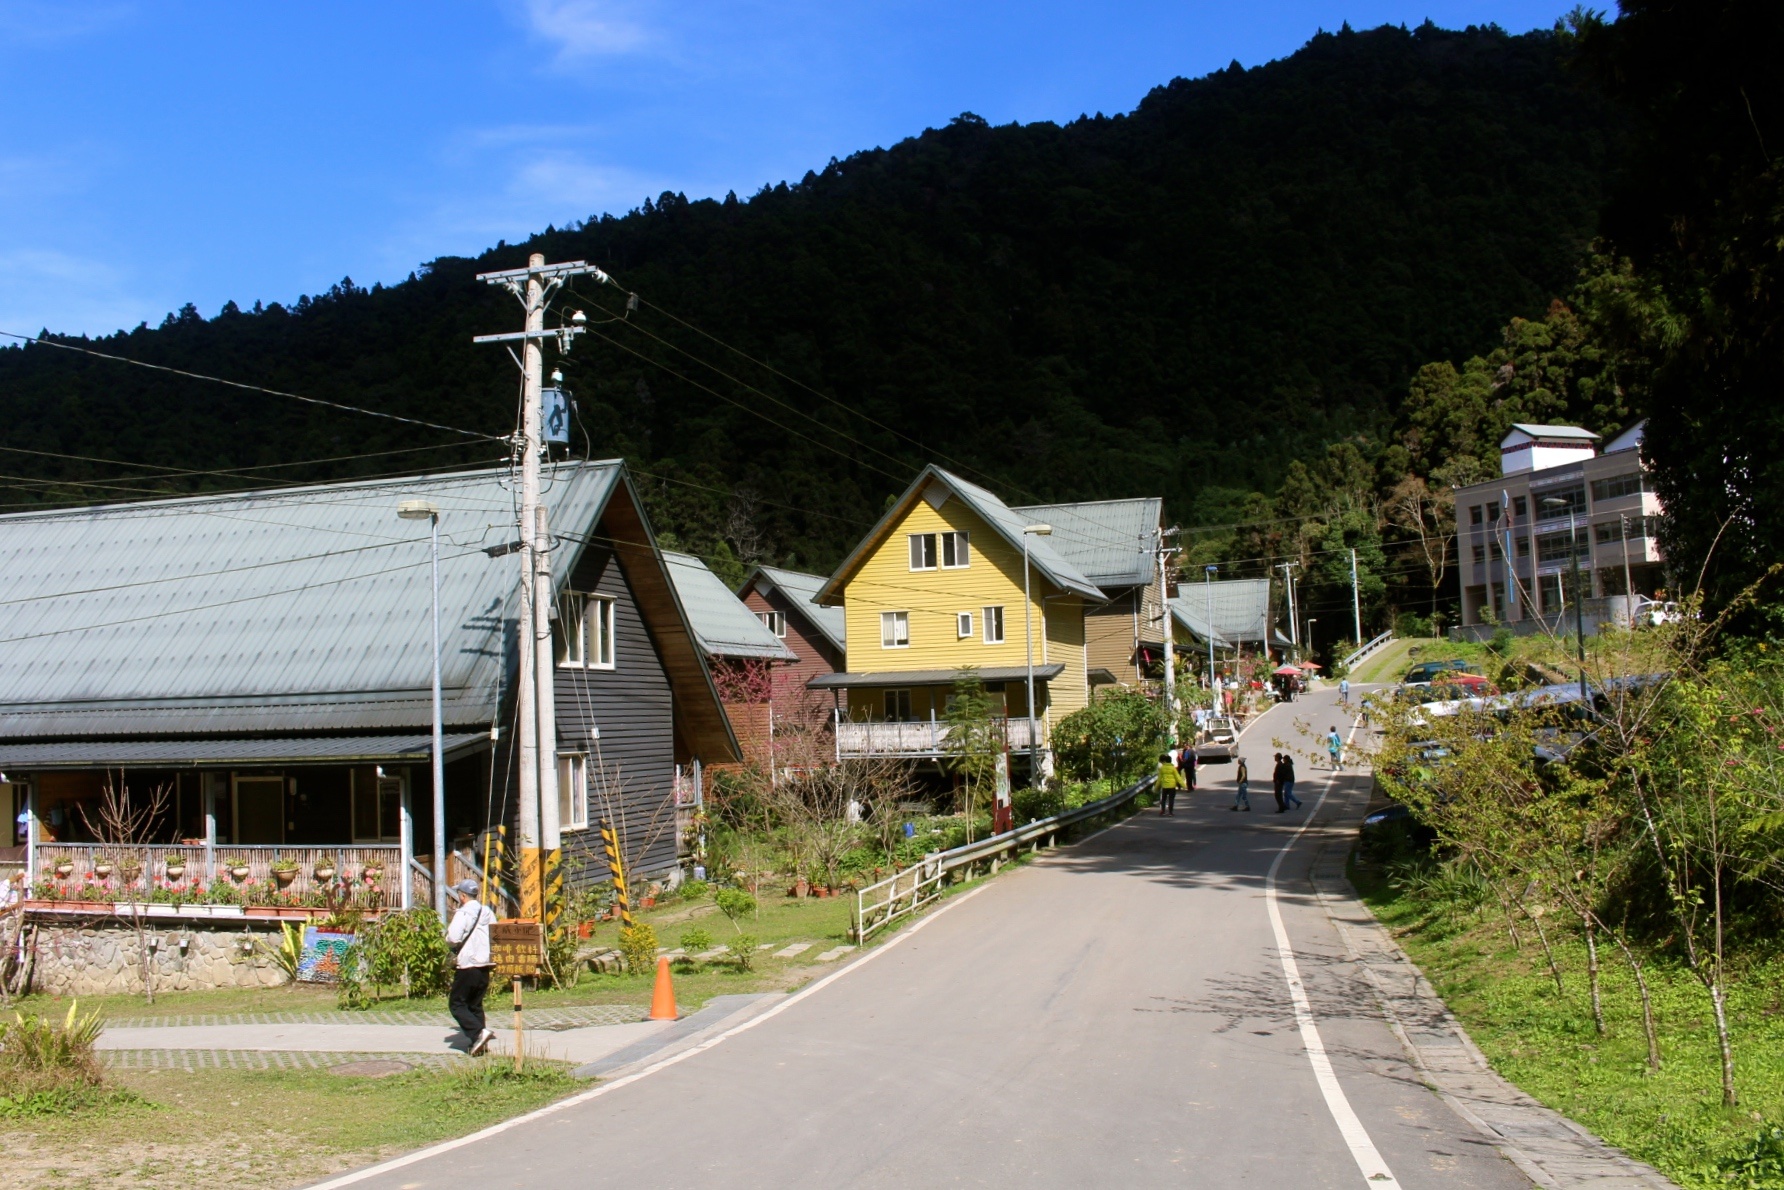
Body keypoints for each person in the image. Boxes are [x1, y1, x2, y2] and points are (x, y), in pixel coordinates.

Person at [446, 878, 497, 1056]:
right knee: (475, 1004)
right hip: (485, 964)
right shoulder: (487, 911)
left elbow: (453, 937)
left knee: (457, 1004)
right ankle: (480, 1043)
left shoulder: (463, 913)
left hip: (468, 964)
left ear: (462, 896)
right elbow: (495, 932)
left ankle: (478, 1033)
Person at [1155, 752, 1182, 816]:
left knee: (1163, 799)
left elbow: (1159, 778)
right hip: (1172, 785)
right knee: (1171, 799)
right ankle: (1170, 812)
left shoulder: (1161, 767)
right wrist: (1183, 785)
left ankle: (1163, 811)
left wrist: (1156, 787)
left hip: (1164, 785)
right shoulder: (1173, 768)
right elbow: (1177, 777)